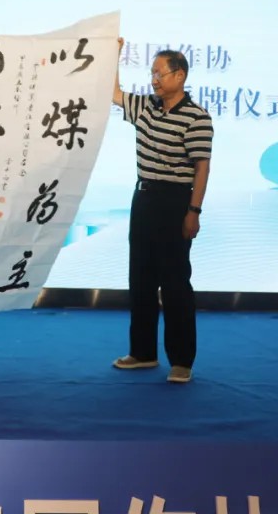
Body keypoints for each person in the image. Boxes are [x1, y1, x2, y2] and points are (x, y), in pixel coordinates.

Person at [111, 41, 213, 384]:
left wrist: (194, 210)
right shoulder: (145, 107)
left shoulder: (197, 117)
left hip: (175, 202)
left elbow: (201, 168)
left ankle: (181, 361)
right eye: (152, 73)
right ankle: (142, 353)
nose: (154, 79)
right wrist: (113, 52)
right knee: (140, 278)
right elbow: (113, 93)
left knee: (174, 282)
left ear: (179, 75)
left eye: (159, 73)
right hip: (143, 199)